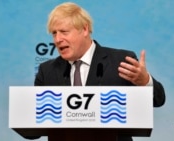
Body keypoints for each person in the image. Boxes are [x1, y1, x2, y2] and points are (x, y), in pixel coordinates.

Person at [33, 2, 165, 141]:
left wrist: (144, 82)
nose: (58, 39)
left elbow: (158, 100)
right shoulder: (46, 70)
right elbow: (33, 130)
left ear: (84, 29)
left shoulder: (120, 61)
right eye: (54, 33)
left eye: (64, 32)